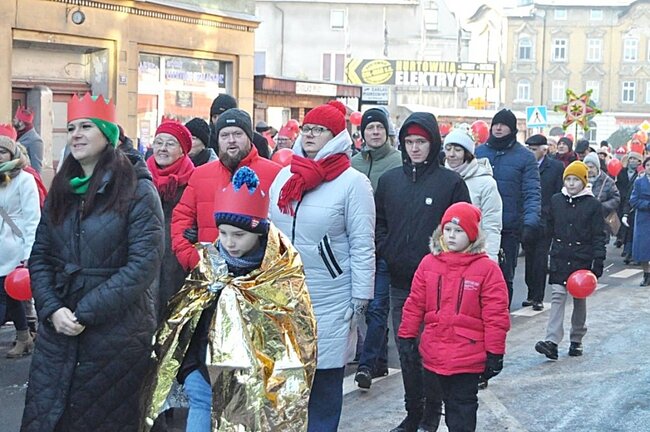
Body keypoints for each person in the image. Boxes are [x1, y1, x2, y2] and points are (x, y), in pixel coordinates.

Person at [21, 93, 164, 432]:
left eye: (86, 126)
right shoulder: (62, 188)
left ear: (108, 133)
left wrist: (85, 312)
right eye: (71, 128)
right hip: (58, 332)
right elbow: (40, 255)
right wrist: (52, 308)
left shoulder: (138, 190)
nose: (76, 135)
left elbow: (143, 265)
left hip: (116, 335)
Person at [269, 100, 376, 432]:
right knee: (287, 379)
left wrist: (360, 298)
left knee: (325, 380)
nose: (310, 135)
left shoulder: (352, 182)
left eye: (320, 130)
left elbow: (363, 244)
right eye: (307, 128)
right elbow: (270, 233)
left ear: (336, 137)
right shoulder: (285, 176)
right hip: (285, 293)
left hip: (331, 296)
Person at [375, 112, 470, 432]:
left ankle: (431, 415)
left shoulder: (450, 183)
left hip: (439, 285)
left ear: (433, 144)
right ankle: (413, 412)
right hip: (401, 281)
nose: (415, 148)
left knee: (430, 351)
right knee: (406, 350)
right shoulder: (390, 181)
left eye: (421, 142)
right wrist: (387, 249)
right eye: (409, 142)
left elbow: (465, 229)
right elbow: (379, 222)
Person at [398, 202, 510, 432]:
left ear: (472, 235)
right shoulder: (429, 264)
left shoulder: (487, 270)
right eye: (447, 229)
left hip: (468, 355)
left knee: (461, 409)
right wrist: (407, 336)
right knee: (432, 400)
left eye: (458, 231)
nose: (451, 235)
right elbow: (415, 303)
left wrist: (495, 352)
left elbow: (496, 315)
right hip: (433, 350)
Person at [171, 108, 281, 271]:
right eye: (224, 135)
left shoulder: (275, 174)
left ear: (249, 137)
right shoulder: (200, 175)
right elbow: (181, 219)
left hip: (260, 276)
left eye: (237, 134)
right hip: (210, 272)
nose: (231, 140)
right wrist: (194, 260)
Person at [351, 108, 402, 389]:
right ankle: (379, 359)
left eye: (379, 128)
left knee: (378, 306)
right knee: (364, 307)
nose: (374, 132)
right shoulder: (354, 163)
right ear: (362, 134)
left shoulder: (398, 161)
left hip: (383, 243)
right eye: (369, 128)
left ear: (387, 132)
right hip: (356, 245)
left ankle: (367, 365)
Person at [535, 161, 606, 360]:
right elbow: (548, 228)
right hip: (560, 255)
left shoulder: (593, 205)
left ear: (584, 181)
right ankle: (552, 341)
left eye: (576, 179)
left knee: (579, 298)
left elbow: (598, 235)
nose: (571, 183)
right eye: (568, 179)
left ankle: (577, 339)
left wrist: (598, 261)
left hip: (581, 258)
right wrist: (542, 250)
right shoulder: (556, 200)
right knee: (557, 296)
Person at [475, 109, 541, 307]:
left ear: (511, 129)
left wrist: (530, 222)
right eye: (495, 124)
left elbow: (531, 191)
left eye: (503, 125)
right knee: (475, 276)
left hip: (508, 227)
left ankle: (501, 316)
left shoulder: (525, 157)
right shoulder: (479, 152)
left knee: (503, 277)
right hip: (478, 226)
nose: (498, 128)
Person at [147, 120, 195, 320]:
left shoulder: (194, 179)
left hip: (177, 261)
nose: (163, 148)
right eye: (158, 142)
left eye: (170, 143)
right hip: (146, 257)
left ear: (183, 151)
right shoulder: (140, 177)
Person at [0, 131, 40, 358]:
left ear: (12, 154)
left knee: (12, 296)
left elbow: (32, 218)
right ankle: (24, 337)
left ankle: (24, 337)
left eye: (2, 151)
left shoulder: (25, 179)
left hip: (14, 246)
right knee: (8, 297)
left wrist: (29, 253)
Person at [443, 128, 502, 262]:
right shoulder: (439, 178)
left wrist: (490, 259)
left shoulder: (486, 183)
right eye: (448, 149)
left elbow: (492, 225)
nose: (451, 154)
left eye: (458, 150)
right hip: (444, 253)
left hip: (473, 254)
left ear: (467, 153)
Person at [522, 134, 564, 311]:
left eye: (534, 150)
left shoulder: (555, 167)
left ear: (544, 150)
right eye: (529, 149)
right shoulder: (524, 165)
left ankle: (538, 297)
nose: (530, 153)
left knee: (540, 258)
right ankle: (531, 293)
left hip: (546, 220)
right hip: (527, 219)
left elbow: (558, 193)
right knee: (529, 258)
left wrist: (552, 215)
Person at [584, 152, 620, 236]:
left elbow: (616, 198)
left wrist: (602, 206)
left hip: (601, 221)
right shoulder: (580, 180)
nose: (589, 170)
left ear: (597, 167)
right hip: (583, 220)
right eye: (586, 167)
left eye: (591, 167)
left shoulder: (608, 181)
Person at [616, 151, 643, 256]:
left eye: (634, 159)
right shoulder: (622, 172)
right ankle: (621, 240)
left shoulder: (639, 175)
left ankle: (627, 248)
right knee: (622, 221)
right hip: (622, 200)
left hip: (632, 202)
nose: (632, 161)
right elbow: (618, 184)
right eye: (630, 159)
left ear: (639, 162)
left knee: (630, 226)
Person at [629, 157, 650, 286]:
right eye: (648, 165)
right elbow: (633, 200)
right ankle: (646, 274)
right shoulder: (639, 182)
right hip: (644, 218)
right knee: (643, 249)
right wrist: (647, 204)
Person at [14, 106, 44, 174]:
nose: (14, 120)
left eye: (16, 118)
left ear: (21, 122)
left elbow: (36, 168)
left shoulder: (35, 140)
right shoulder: (16, 135)